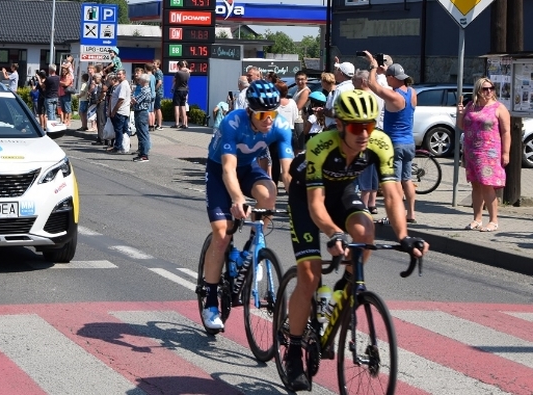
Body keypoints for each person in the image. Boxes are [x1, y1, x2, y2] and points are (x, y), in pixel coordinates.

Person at [282, 89, 429, 391]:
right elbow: (315, 206)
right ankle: (294, 351)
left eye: (370, 125)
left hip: (344, 193)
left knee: (366, 234)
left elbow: (392, 195)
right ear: (340, 126)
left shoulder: (380, 143)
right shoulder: (319, 145)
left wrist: (404, 236)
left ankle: (345, 287)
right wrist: (333, 233)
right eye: (356, 127)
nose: (364, 133)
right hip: (308, 199)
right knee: (309, 276)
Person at [201, 80, 294, 330]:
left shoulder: (281, 126)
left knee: (269, 192)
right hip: (221, 169)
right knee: (221, 235)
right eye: (263, 114)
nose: (269, 120)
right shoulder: (232, 122)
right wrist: (237, 197)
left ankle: (255, 246)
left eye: (273, 113)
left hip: (249, 168)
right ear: (250, 112)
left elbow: (287, 172)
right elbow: (228, 169)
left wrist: (301, 198)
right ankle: (210, 302)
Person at [364, 51, 418, 223]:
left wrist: (372, 67)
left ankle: (396, 215)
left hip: (395, 144)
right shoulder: (412, 92)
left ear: (394, 78)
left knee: (394, 182)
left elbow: (372, 84)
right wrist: (387, 70)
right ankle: (411, 213)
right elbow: (391, 80)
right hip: (409, 143)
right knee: (407, 180)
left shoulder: (394, 96)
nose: (386, 80)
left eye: (388, 77)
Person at [457, 77, 511, 232]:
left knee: (487, 185)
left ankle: (494, 220)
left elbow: (506, 132)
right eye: (485, 89)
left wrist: (506, 153)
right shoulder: (471, 106)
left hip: (489, 153)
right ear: (478, 91)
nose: (488, 92)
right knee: (475, 185)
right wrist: (460, 114)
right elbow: (462, 126)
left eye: (491, 88)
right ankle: (477, 219)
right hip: (471, 151)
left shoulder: (498, 108)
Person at [353, 69, 385, 215]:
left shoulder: (363, 97)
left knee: (364, 170)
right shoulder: (377, 95)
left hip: (365, 134)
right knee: (372, 171)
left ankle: (364, 204)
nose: (353, 85)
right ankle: (372, 204)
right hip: (377, 133)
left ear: (363, 81)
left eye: (355, 82)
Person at [108, 70, 132, 154]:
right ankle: (125, 145)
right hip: (122, 111)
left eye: (120, 74)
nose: (118, 76)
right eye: (117, 74)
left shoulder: (123, 85)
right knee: (124, 130)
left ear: (124, 75)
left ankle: (118, 147)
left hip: (120, 111)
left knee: (119, 130)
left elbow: (121, 99)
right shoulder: (121, 84)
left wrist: (114, 111)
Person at [131, 72, 153, 162]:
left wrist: (132, 98)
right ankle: (142, 153)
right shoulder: (144, 89)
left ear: (143, 81)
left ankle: (144, 154)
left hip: (141, 112)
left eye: (140, 79)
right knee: (141, 133)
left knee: (143, 133)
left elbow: (135, 100)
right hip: (140, 112)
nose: (139, 81)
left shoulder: (145, 90)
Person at [172, 60, 190, 129]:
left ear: (179, 66)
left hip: (178, 90)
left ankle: (177, 123)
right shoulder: (187, 74)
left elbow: (173, 80)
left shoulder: (178, 73)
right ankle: (184, 123)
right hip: (185, 90)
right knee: (183, 107)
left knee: (176, 107)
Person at [152, 59, 165, 130]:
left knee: (158, 108)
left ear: (158, 65)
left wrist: (154, 89)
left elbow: (159, 82)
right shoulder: (155, 72)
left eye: (154, 63)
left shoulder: (158, 72)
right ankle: (154, 123)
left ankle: (159, 125)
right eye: (153, 63)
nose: (153, 64)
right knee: (155, 108)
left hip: (158, 93)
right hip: (157, 92)